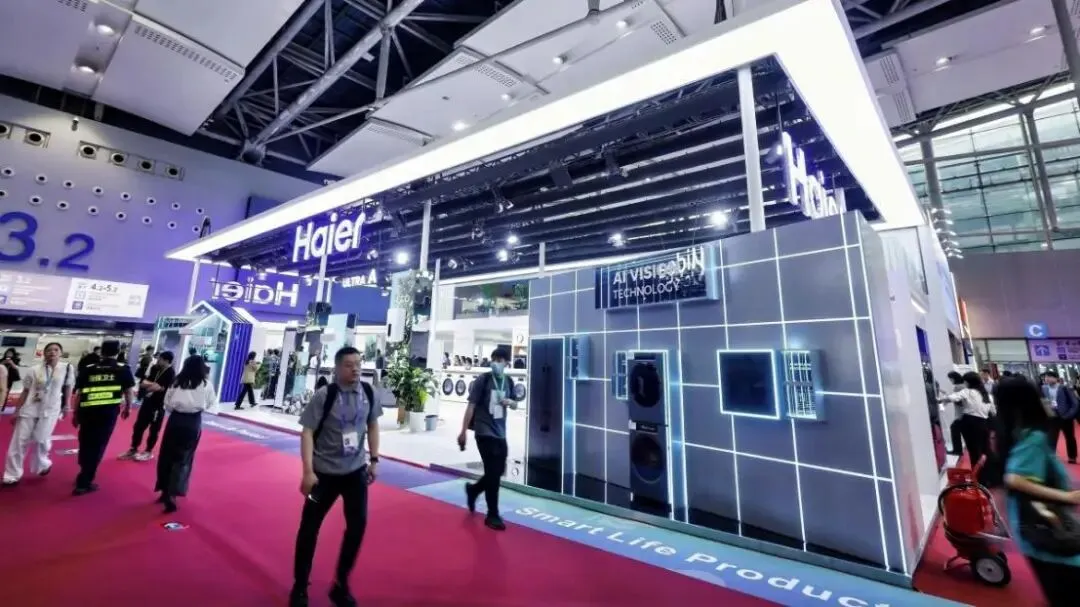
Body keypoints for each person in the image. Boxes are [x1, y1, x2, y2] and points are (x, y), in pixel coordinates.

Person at [291, 346, 380, 607]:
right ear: (338, 367)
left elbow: (372, 425)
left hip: (355, 473)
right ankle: (300, 586)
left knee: (358, 526)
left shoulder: (368, 392)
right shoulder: (325, 395)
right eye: (349, 365)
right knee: (309, 528)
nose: (355, 369)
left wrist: (374, 459)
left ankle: (340, 584)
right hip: (323, 475)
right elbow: (307, 432)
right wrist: (307, 471)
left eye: (358, 364)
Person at [996, 375, 1080, 606]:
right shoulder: (1032, 438)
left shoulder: (1012, 435)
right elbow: (1014, 479)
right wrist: (1068, 496)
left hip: (1031, 526)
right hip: (1046, 526)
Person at [458, 347, 520, 531]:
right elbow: (471, 406)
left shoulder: (508, 381)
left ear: (507, 363)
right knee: (492, 472)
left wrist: (510, 402)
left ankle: (474, 490)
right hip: (484, 431)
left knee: (497, 471)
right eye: (494, 359)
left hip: (501, 433)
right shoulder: (483, 380)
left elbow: (515, 403)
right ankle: (492, 514)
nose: (496, 363)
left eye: (500, 360)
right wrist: (463, 431)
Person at [2, 343, 75, 486]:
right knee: (19, 442)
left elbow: (68, 387)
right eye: (49, 350)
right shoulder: (34, 369)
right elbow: (25, 391)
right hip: (29, 409)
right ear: (44, 353)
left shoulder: (67, 368)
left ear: (60, 353)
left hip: (51, 410)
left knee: (41, 440)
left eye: (56, 350)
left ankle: (43, 464)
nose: (52, 352)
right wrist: (16, 411)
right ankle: (12, 475)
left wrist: (67, 405)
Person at [71, 340, 135, 496]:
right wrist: (128, 407)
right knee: (98, 445)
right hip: (107, 414)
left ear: (102, 351)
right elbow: (129, 392)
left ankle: (84, 469)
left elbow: (79, 393)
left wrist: (75, 413)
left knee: (85, 442)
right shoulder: (123, 369)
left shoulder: (89, 369)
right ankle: (84, 481)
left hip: (87, 412)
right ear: (118, 351)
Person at [155, 355, 217, 513]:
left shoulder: (176, 382)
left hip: (175, 420)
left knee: (167, 455)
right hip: (193, 422)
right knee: (183, 458)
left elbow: (167, 403)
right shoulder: (206, 384)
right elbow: (211, 404)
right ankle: (173, 493)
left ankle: (163, 490)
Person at [119, 351, 176, 462]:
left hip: (158, 405)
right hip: (147, 403)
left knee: (154, 430)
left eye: (160, 359)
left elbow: (156, 387)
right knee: (138, 426)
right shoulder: (155, 368)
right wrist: (153, 386)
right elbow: (143, 383)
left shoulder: (170, 373)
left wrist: (151, 387)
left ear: (166, 361)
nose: (158, 360)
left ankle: (148, 451)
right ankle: (133, 449)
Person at [939, 371, 994, 472]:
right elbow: (993, 411)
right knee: (985, 449)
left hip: (969, 422)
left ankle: (977, 473)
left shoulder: (967, 392)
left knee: (973, 450)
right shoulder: (986, 394)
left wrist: (940, 400)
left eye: (965, 382)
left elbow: (952, 398)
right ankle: (988, 472)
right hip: (984, 422)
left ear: (968, 382)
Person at [1041, 371, 1078, 464]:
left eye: (1049, 377)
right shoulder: (1044, 388)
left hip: (1065, 416)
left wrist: (1069, 415)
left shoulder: (1064, 388)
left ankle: (1072, 456)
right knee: (1051, 437)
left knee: (1069, 437)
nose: (1047, 379)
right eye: (1045, 377)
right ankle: (1051, 457)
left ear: (1056, 378)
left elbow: (1075, 403)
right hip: (1052, 416)